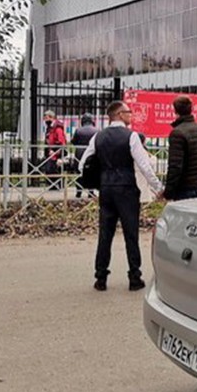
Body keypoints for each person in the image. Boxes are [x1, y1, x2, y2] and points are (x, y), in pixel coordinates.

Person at [80, 101, 163, 292]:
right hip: (126, 189)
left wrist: (98, 178)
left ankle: (101, 277)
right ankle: (134, 277)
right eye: (128, 112)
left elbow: (83, 163)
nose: (131, 115)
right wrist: (158, 187)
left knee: (105, 234)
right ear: (119, 114)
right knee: (131, 234)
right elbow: (144, 165)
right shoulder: (131, 136)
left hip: (106, 189)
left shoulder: (98, 137)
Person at [163, 95, 197, 200]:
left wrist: (168, 192)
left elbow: (175, 166)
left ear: (175, 111)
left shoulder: (178, 133)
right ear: (191, 109)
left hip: (183, 187)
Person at [71, 113, 99, 198]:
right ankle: (91, 192)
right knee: (92, 171)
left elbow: (73, 141)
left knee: (79, 172)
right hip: (92, 152)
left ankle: (78, 191)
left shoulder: (78, 130)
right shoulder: (96, 130)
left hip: (79, 153)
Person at [43, 110, 67, 189]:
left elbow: (61, 142)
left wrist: (55, 151)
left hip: (55, 153)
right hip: (51, 153)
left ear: (51, 117)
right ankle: (54, 185)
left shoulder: (57, 128)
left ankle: (56, 185)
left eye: (46, 118)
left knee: (52, 169)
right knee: (50, 169)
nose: (45, 120)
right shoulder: (50, 128)